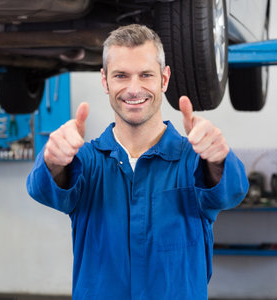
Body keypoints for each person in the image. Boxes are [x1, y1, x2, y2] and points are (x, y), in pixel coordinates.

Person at [26, 24, 249, 299]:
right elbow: (41, 188)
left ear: (164, 79)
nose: (134, 89)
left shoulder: (192, 160)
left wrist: (218, 158)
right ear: (105, 80)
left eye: (146, 75)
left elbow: (232, 191)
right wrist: (53, 160)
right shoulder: (87, 161)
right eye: (121, 75)